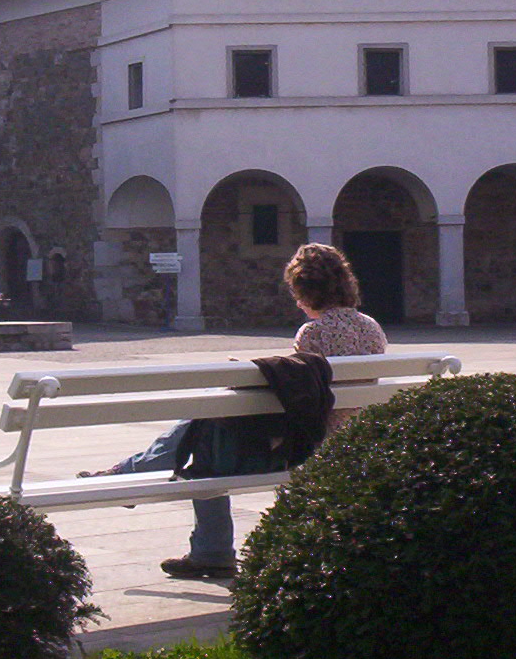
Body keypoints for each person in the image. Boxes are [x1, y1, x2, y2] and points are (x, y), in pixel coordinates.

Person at [95, 243, 388, 581]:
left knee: (208, 433)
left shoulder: (313, 332)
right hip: (356, 440)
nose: (296, 302)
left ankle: (136, 478)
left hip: (305, 445)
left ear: (308, 291)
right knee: (209, 421)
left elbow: (295, 399)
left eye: (297, 293)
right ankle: (139, 478)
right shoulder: (371, 327)